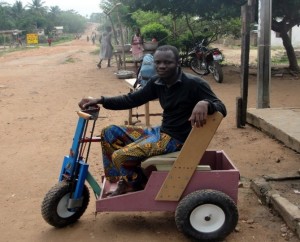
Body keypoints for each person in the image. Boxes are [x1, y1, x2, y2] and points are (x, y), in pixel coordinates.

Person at [78, 45, 227, 196]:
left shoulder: (194, 84)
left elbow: (221, 107)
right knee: (109, 132)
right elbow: (131, 100)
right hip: (160, 132)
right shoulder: (158, 82)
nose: (162, 66)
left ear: (177, 63)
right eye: (158, 62)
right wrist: (100, 100)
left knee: (120, 156)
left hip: (176, 140)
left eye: (167, 62)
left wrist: (205, 104)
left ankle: (136, 184)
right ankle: (124, 178)